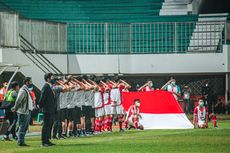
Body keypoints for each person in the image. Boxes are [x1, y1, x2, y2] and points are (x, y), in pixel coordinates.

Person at [12, 77, 34, 146]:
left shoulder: (26, 89)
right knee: (22, 126)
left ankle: (22, 141)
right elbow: (18, 100)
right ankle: (20, 141)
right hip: (23, 112)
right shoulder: (23, 90)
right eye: (30, 81)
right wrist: (15, 108)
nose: (31, 82)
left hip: (27, 111)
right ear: (27, 82)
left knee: (25, 127)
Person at [38, 73, 56, 147]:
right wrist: (40, 106)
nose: (53, 79)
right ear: (48, 79)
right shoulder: (46, 86)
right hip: (47, 109)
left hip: (50, 109)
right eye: (52, 77)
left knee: (49, 125)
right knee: (46, 125)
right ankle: (44, 141)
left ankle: (47, 140)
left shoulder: (50, 86)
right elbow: (42, 97)